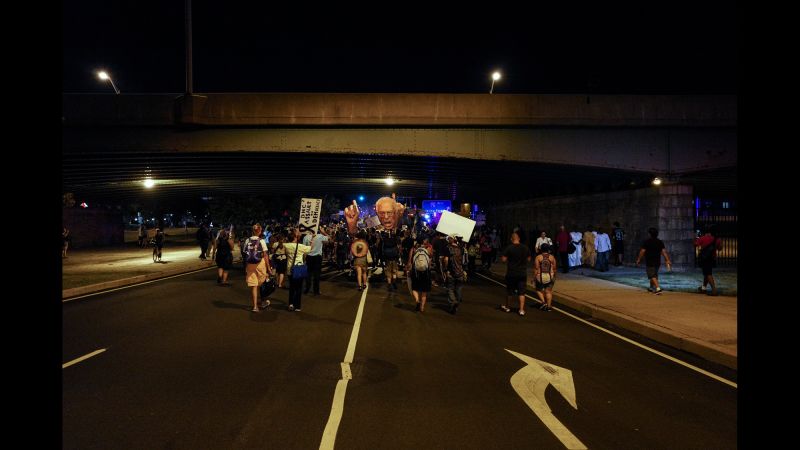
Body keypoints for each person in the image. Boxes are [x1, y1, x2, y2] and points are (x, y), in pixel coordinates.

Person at [243, 223, 273, 312]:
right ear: (260, 231)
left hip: (250, 265)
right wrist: (268, 268)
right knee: (263, 282)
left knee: (254, 286)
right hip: (260, 264)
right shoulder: (262, 241)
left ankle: (255, 306)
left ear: (252, 231)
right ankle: (263, 301)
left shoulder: (247, 240)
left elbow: (245, 253)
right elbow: (265, 255)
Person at [500, 232, 531, 316]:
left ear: (511, 239)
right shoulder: (525, 248)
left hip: (511, 273)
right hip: (522, 273)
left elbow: (503, 259)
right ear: (519, 239)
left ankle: (508, 307)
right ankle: (521, 310)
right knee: (522, 292)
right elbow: (528, 259)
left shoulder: (509, 248)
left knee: (510, 291)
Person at [635, 227, 672, 295]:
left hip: (650, 261)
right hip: (657, 261)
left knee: (651, 275)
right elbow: (664, 252)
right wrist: (667, 260)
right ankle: (651, 287)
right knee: (654, 274)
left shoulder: (647, 242)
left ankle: (658, 288)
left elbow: (642, 251)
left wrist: (639, 259)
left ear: (649, 234)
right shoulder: (660, 242)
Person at [283, 228, 311, 311]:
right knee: (299, 288)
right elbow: (310, 249)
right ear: (295, 238)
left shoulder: (286, 245)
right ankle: (297, 306)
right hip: (298, 268)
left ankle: (291, 304)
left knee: (292, 287)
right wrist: (311, 242)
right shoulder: (301, 246)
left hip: (290, 269)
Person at [406, 236, 432, 312]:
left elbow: (409, 261)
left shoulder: (414, 249)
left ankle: (417, 301)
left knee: (414, 288)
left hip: (416, 272)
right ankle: (422, 307)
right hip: (425, 272)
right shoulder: (428, 249)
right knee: (424, 291)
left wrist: (408, 268)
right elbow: (429, 261)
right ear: (423, 241)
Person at [695, 226, 722, 296]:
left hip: (705, 258)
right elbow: (720, 248)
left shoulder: (702, 238)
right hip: (712, 258)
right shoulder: (717, 239)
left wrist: (696, 237)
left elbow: (695, 244)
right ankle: (703, 288)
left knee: (708, 274)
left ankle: (714, 290)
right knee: (707, 273)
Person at [302, 228, 329, 295]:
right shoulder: (320, 236)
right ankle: (316, 291)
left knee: (308, 274)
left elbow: (304, 249)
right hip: (317, 257)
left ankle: (307, 289)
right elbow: (328, 238)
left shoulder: (305, 237)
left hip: (309, 257)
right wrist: (323, 232)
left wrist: (304, 259)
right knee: (316, 274)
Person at [444, 236, 467, 315]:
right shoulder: (462, 248)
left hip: (451, 272)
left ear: (452, 239)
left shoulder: (448, 248)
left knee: (450, 288)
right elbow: (464, 260)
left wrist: (446, 269)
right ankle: (458, 301)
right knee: (459, 288)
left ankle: (453, 302)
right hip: (460, 272)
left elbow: (446, 260)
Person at [534, 243, 557, 311]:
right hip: (549, 276)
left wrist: (534, 278)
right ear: (548, 249)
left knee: (538, 289)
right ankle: (549, 307)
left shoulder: (538, 257)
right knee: (548, 292)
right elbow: (555, 268)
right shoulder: (552, 257)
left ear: (541, 249)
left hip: (540, 276)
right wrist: (554, 276)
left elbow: (536, 268)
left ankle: (543, 302)